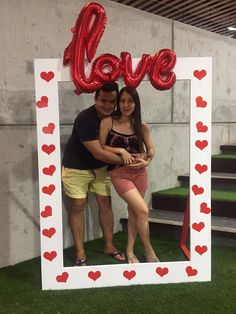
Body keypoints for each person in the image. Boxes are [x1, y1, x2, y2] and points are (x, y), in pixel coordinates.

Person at [62, 83, 127, 266]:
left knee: (105, 204)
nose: (107, 105)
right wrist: (126, 160)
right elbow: (98, 152)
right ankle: (80, 251)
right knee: (78, 205)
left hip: (100, 169)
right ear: (95, 99)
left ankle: (109, 245)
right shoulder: (85, 118)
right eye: (103, 100)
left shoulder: (116, 117)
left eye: (111, 101)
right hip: (75, 168)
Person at [99, 86, 159, 263]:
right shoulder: (108, 121)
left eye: (130, 101)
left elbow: (151, 148)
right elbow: (101, 146)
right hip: (120, 174)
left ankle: (130, 251)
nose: (126, 104)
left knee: (134, 213)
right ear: (118, 102)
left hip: (140, 172)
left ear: (136, 103)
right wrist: (120, 151)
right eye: (122, 100)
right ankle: (149, 251)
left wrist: (147, 161)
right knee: (142, 210)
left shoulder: (141, 125)